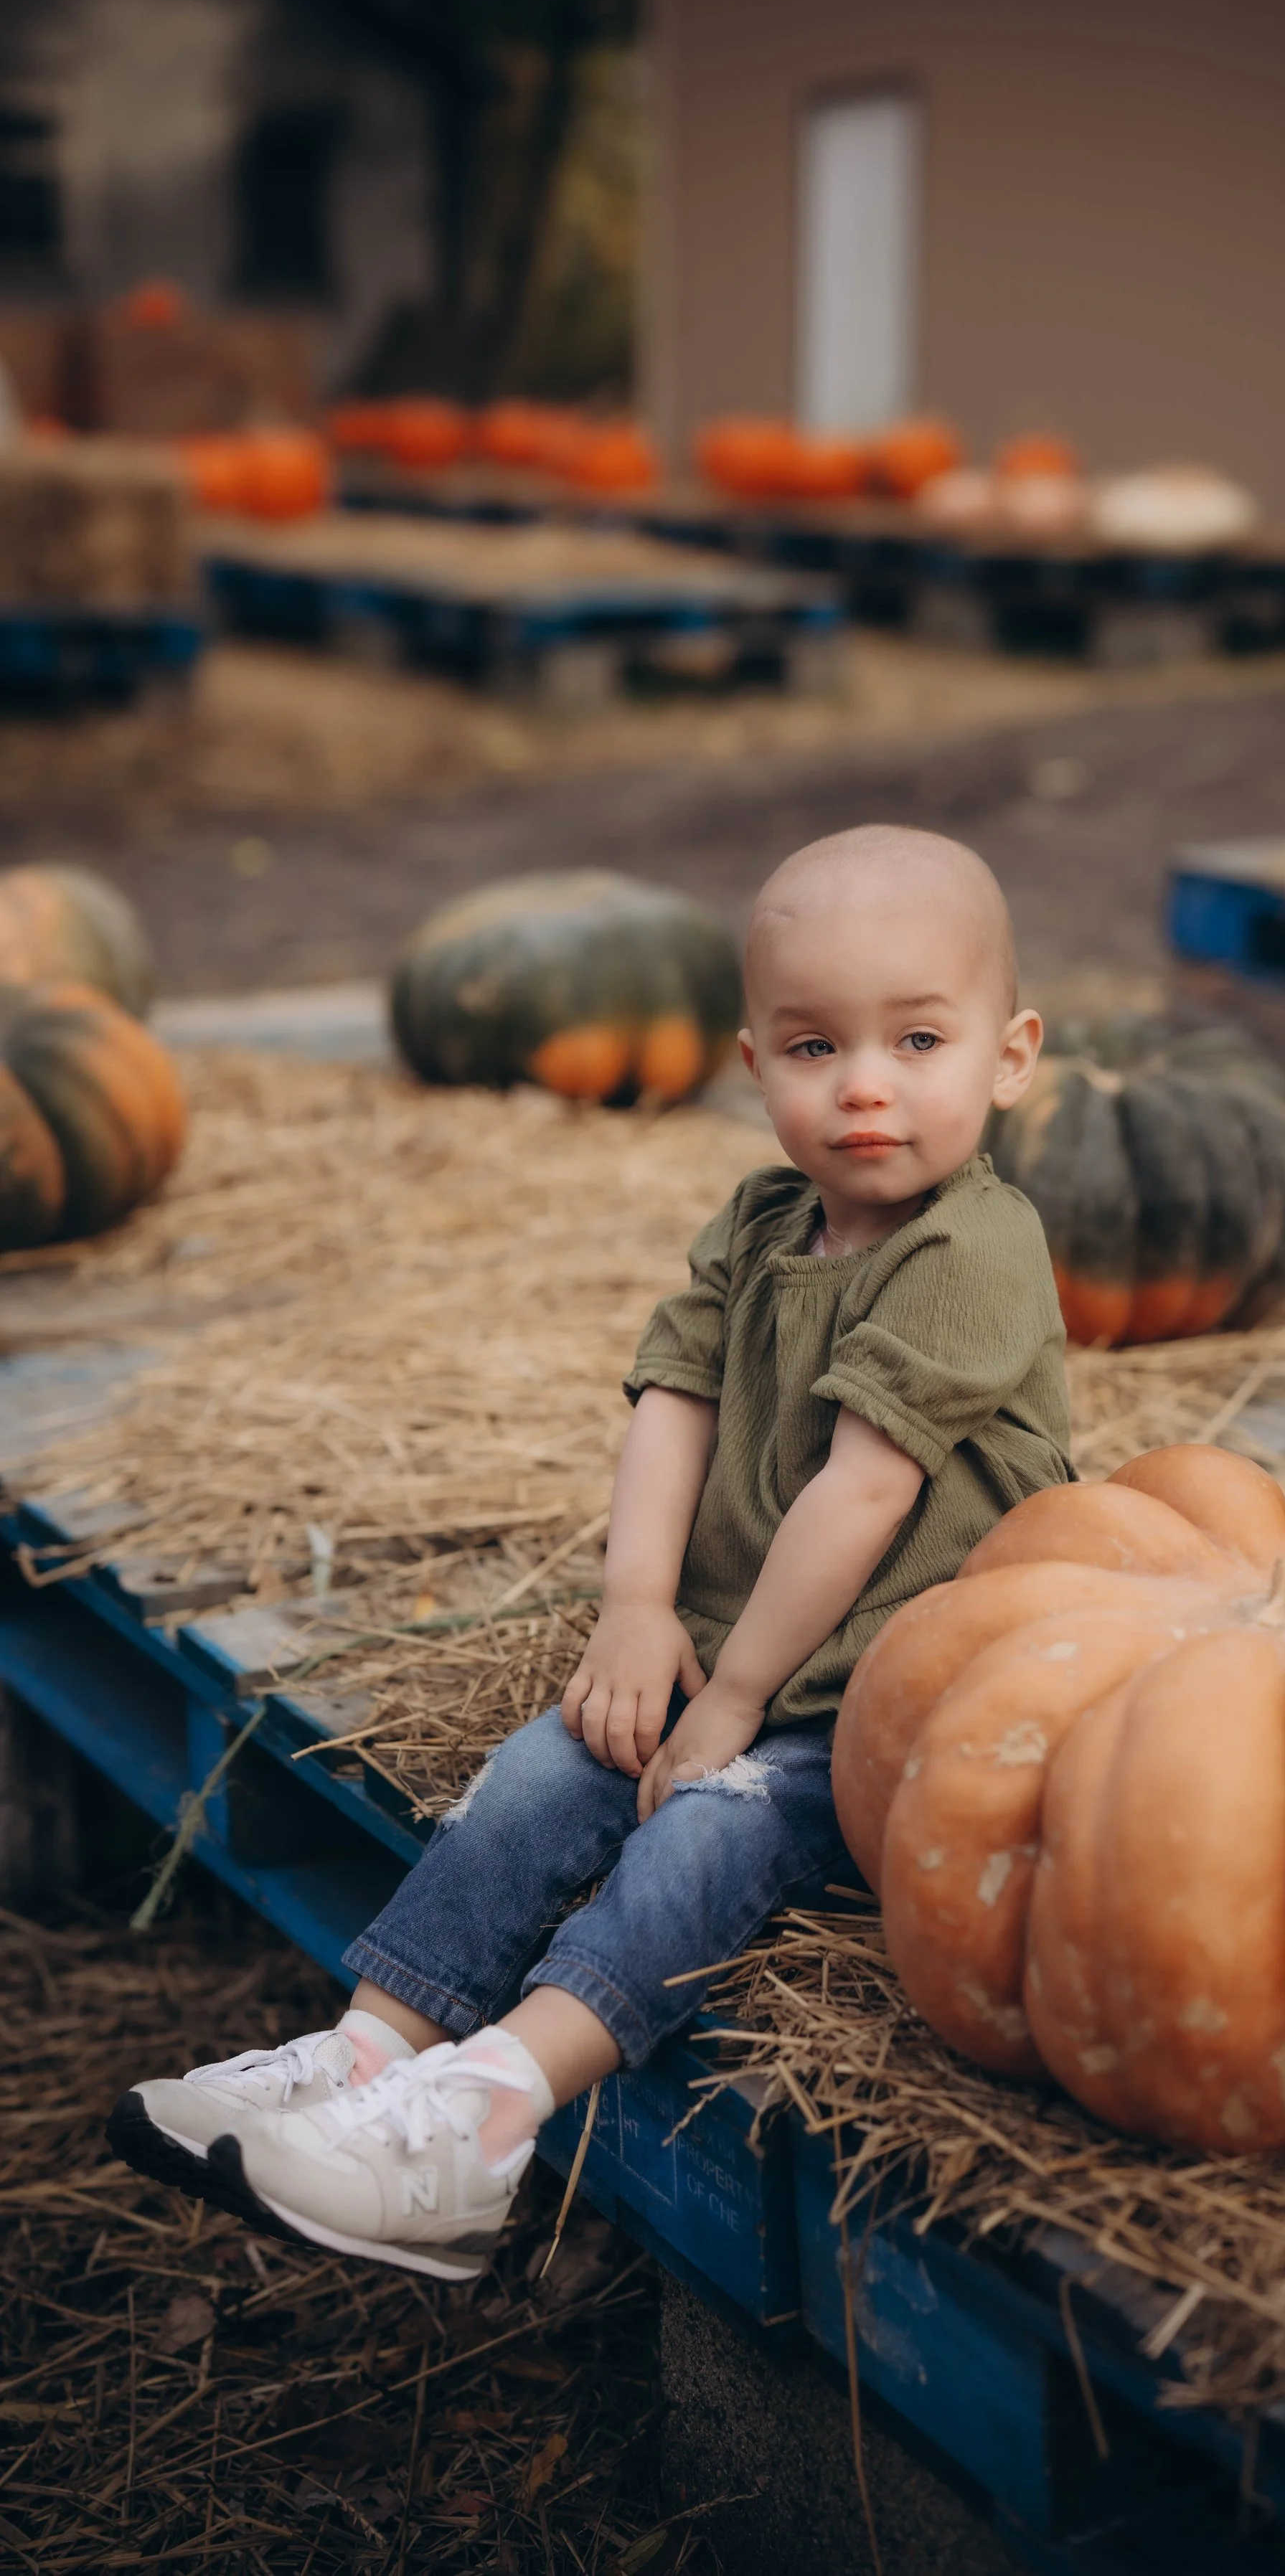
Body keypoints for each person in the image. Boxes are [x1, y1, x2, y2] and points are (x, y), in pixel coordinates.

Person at [108, 825, 1073, 2280]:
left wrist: (736, 1698)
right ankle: (366, 2054)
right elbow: (671, 1406)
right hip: (733, 1652)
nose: (863, 1085)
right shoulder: (759, 1222)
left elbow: (860, 1500)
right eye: (814, 1047)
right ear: (751, 1066)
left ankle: (487, 2123)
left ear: (1008, 1056)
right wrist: (635, 1609)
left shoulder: (974, 1252)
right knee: (544, 1771)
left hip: (881, 1699)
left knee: (709, 1828)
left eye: (916, 1040)